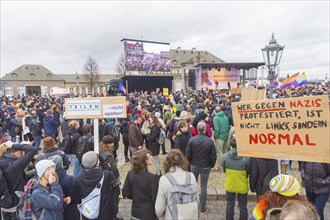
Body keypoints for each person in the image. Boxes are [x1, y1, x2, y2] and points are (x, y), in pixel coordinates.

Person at [155, 149, 198, 219]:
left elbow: (159, 209)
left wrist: (160, 216)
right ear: (183, 161)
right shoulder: (191, 176)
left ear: (167, 163)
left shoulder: (164, 179)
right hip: (190, 216)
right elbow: (196, 199)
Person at [0, 140, 38, 219]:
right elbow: (33, 150)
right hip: (15, 204)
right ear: (17, 153)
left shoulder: (2, 161)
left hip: (4, 202)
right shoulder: (15, 165)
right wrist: (13, 145)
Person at [75, 151, 118, 220]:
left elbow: (77, 197)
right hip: (104, 212)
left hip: (88, 213)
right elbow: (112, 173)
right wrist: (103, 162)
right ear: (97, 162)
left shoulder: (78, 178)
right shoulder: (105, 175)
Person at [185, 121, 217, 214]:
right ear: (205, 129)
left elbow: (188, 153)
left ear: (197, 129)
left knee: (192, 185)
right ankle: (202, 207)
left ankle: (192, 204)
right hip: (205, 166)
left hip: (194, 165)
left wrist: (190, 162)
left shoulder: (192, 140)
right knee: (203, 187)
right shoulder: (210, 141)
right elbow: (214, 156)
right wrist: (211, 165)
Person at [122, 149, 158, 220]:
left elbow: (125, 192)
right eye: (148, 157)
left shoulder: (130, 173)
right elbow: (155, 198)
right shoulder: (151, 178)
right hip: (148, 214)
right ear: (143, 161)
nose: (151, 157)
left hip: (135, 213)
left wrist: (136, 196)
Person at [221, 134, 250, 220]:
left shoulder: (225, 157)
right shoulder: (246, 158)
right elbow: (248, 171)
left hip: (230, 184)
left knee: (229, 205)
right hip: (242, 185)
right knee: (243, 206)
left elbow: (224, 169)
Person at [48, 155, 80, 220]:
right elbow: (77, 199)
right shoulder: (70, 179)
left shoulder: (45, 180)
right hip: (69, 212)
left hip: (53, 214)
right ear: (61, 164)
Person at [212, 106, 229, 172]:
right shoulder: (225, 117)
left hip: (219, 137)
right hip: (226, 135)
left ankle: (221, 167)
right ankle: (225, 165)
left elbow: (216, 129)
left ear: (215, 111)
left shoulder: (215, 118)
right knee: (225, 151)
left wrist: (215, 136)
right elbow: (227, 126)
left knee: (219, 152)